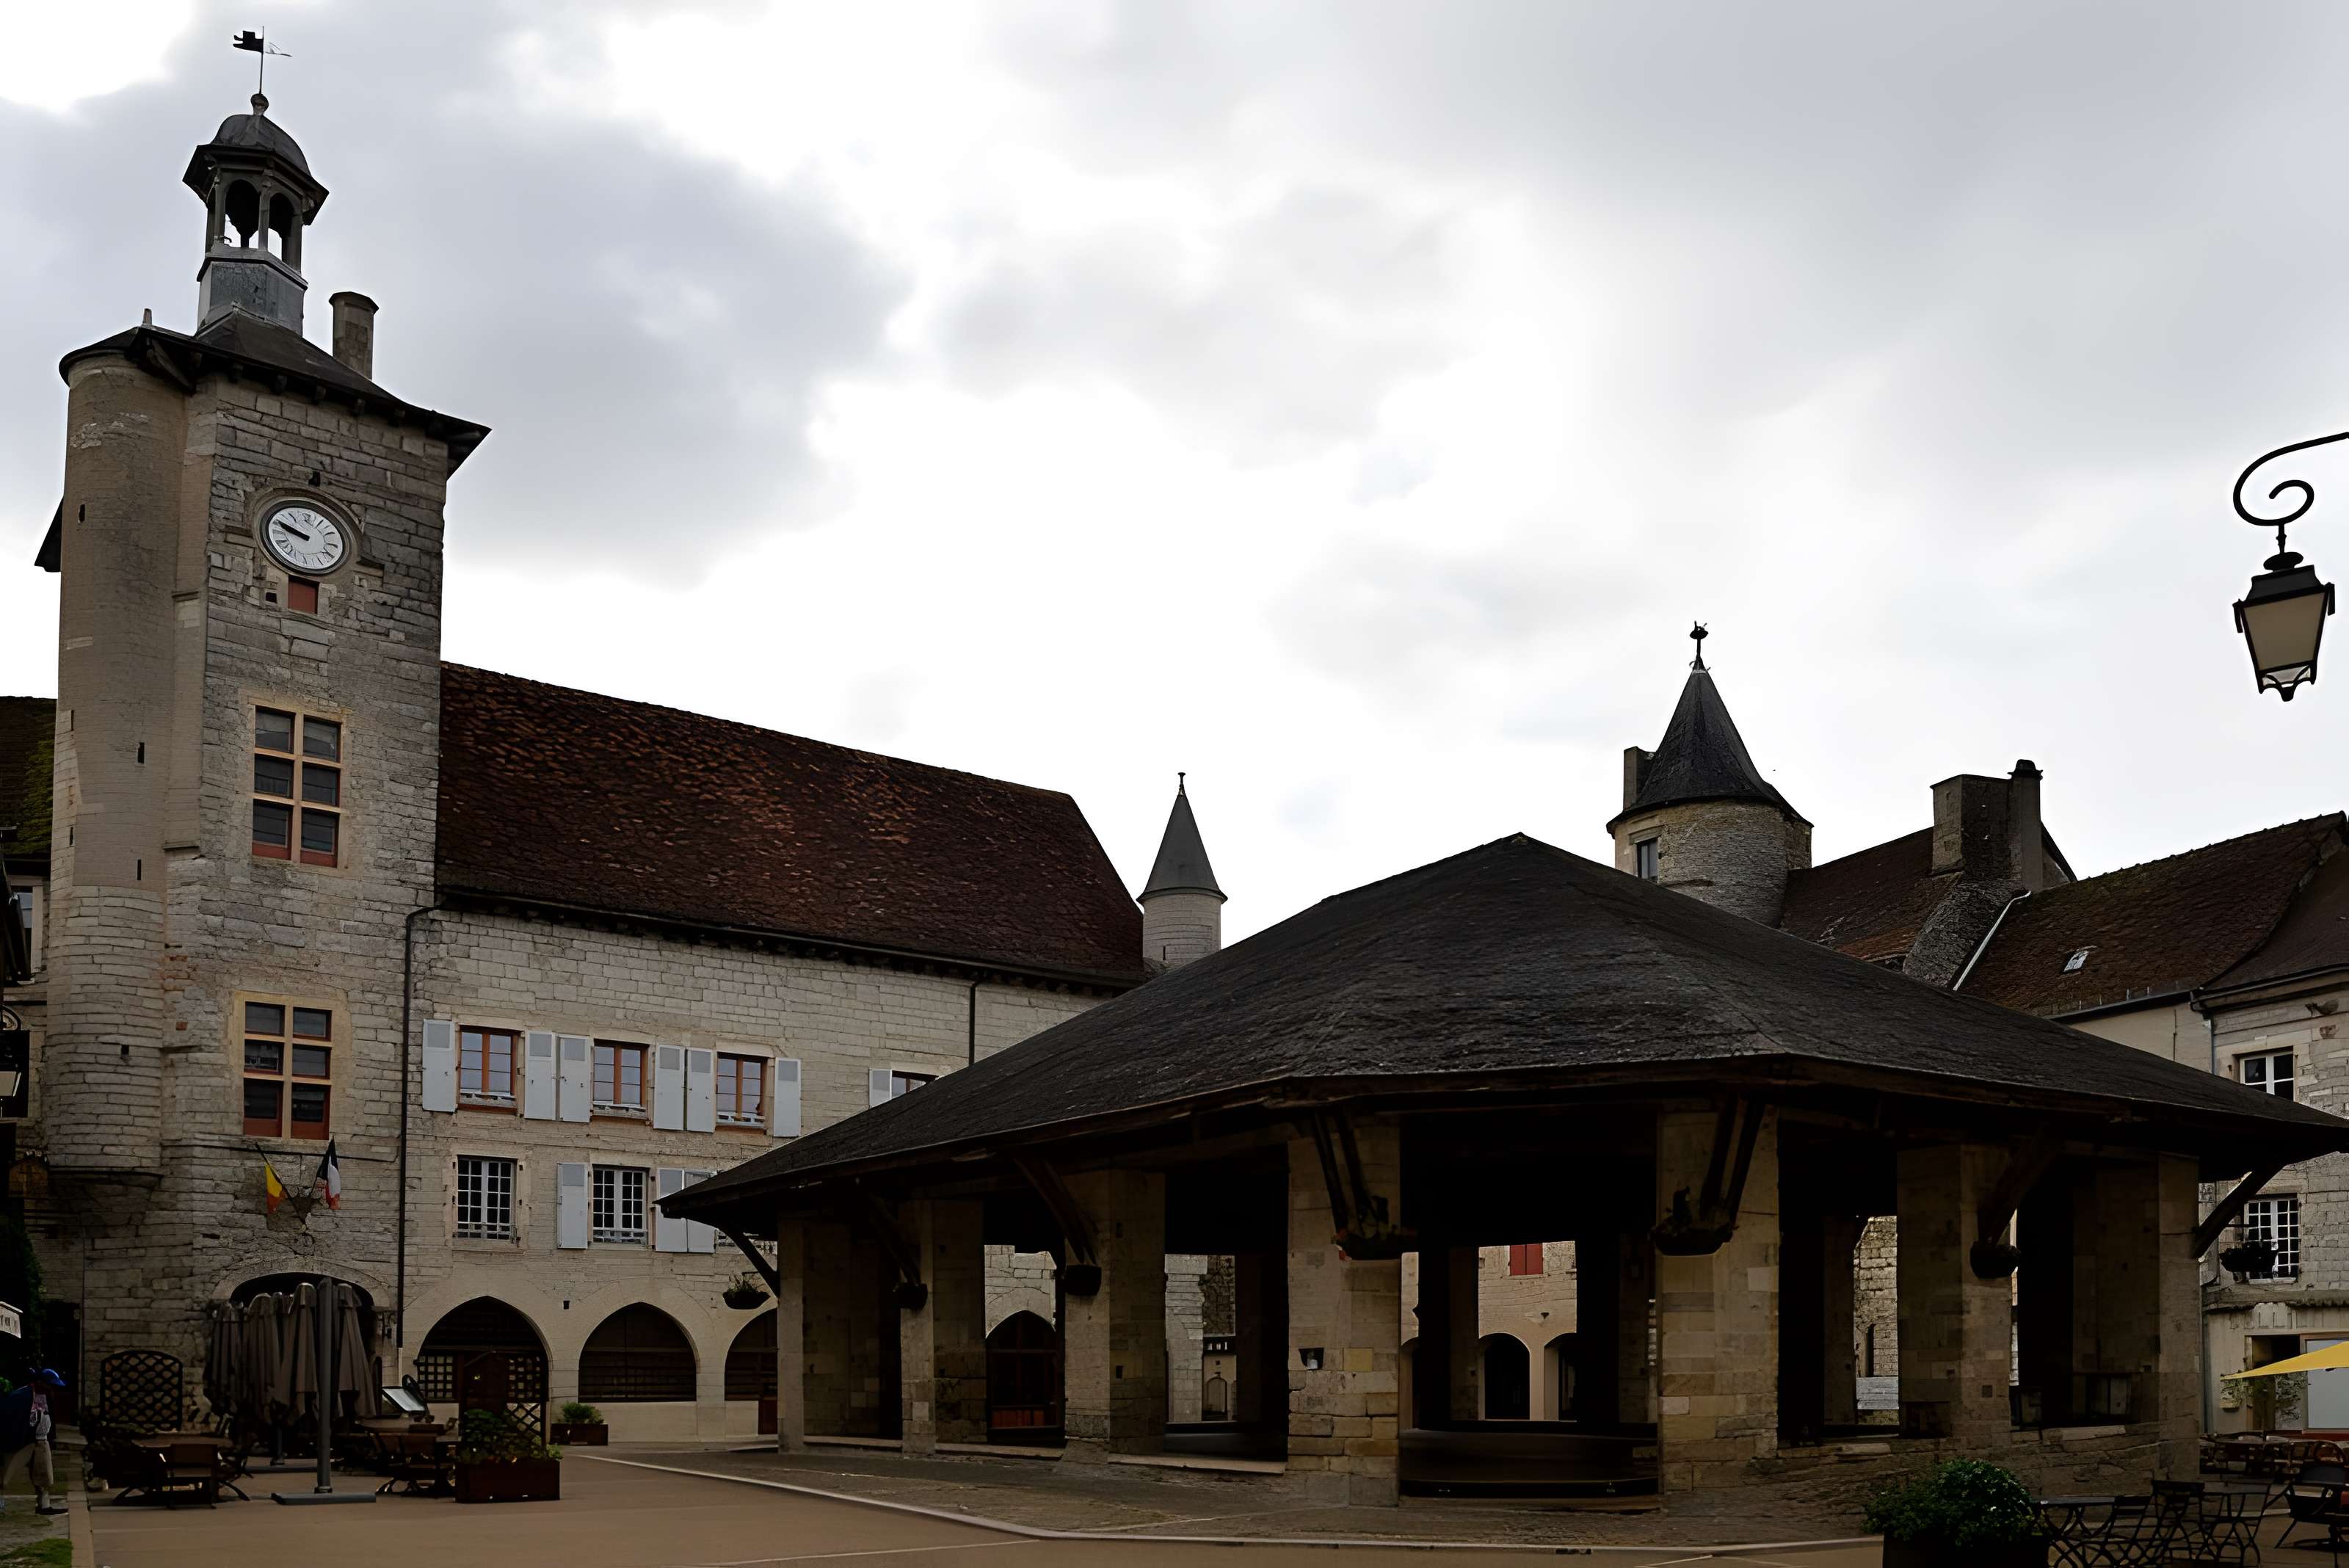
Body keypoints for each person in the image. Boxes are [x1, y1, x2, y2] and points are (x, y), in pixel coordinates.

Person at [0, 1369, 65, 1515]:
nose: (52, 1389)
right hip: (22, 1441)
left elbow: (47, 1418)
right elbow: (9, 1420)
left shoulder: (47, 1396)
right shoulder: (21, 1396)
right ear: (41, 1383)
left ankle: (44, 1506)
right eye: (50, 1385)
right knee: (5, 1478)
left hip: (41, 1440)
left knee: (44, 1477)